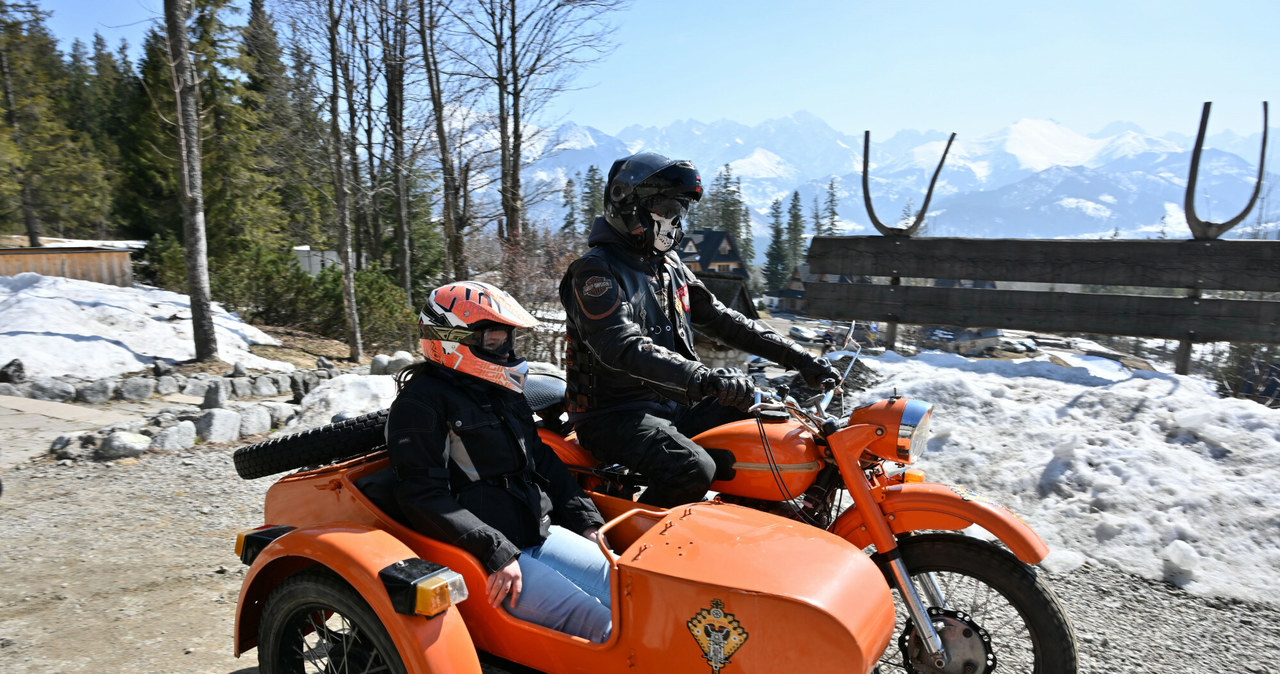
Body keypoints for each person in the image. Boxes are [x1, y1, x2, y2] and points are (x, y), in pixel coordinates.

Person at [558, 152, 841, 508]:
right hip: (614, 415)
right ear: (626, 202)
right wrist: (703, 378)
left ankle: (749, 521)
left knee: (769, 426)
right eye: (664, 209)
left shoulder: (667, 265)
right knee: (691, 468)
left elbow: (723, 319)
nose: (673, 221)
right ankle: (634, 549)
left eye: (679, 212)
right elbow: (621, 344)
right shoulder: (594, 271)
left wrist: (800, 358)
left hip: (674, 404)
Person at [386, 281, 612, 643]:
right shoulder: (420, 404)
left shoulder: (502, 390)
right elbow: (421, 496)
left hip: (538, 531)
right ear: (451, 339)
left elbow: (542, 459)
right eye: (493, 340)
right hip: (487, 558)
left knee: (633, 591)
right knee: (606, 629)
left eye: (507, 339)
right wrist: (496, 551)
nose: (505, 351)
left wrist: (586, 522)